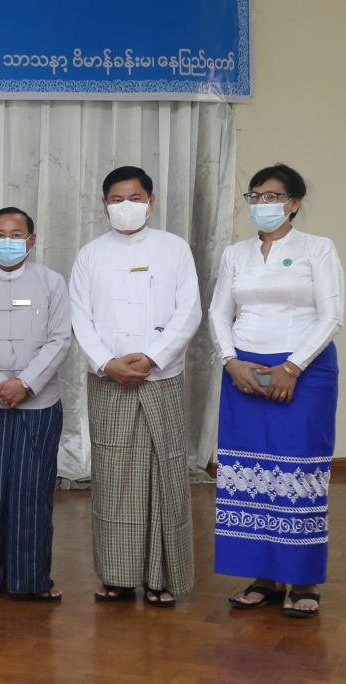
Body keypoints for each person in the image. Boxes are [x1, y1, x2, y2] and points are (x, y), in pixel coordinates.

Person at [209, 164, 341, 619]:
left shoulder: (317, 248)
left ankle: (302, 579)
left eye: (272, 196)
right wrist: (230, 361)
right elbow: (219, 313)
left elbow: (331, 316)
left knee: (297, 474)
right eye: (255, 196)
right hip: (244, 372)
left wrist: (291, 367)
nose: (262, 204)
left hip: (304, 373)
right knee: (253, 472)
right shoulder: (235, 254)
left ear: (294, 203)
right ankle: (263, 578)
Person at [69, 165, 201, 608]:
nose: (126, 206)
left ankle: (163, 577)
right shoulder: (90, 254)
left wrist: (154, 356)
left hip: (160, 375)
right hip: (108, 379)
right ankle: (118, 576)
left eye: (135, 198)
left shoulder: (174, 248)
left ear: (151, 201)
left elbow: (189, 311)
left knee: (165, 472)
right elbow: (79, 315)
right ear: (104, 204)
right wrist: (107, 362)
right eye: (117, 199)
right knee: (114, 476)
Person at [0, 206, 72, 603]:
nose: (8, 241)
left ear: (31, 240)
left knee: (32, 491)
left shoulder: (52, 283)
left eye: (16, 234)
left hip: (40, 403)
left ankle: (31, 580)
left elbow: (60, 339)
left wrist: (26, 383)